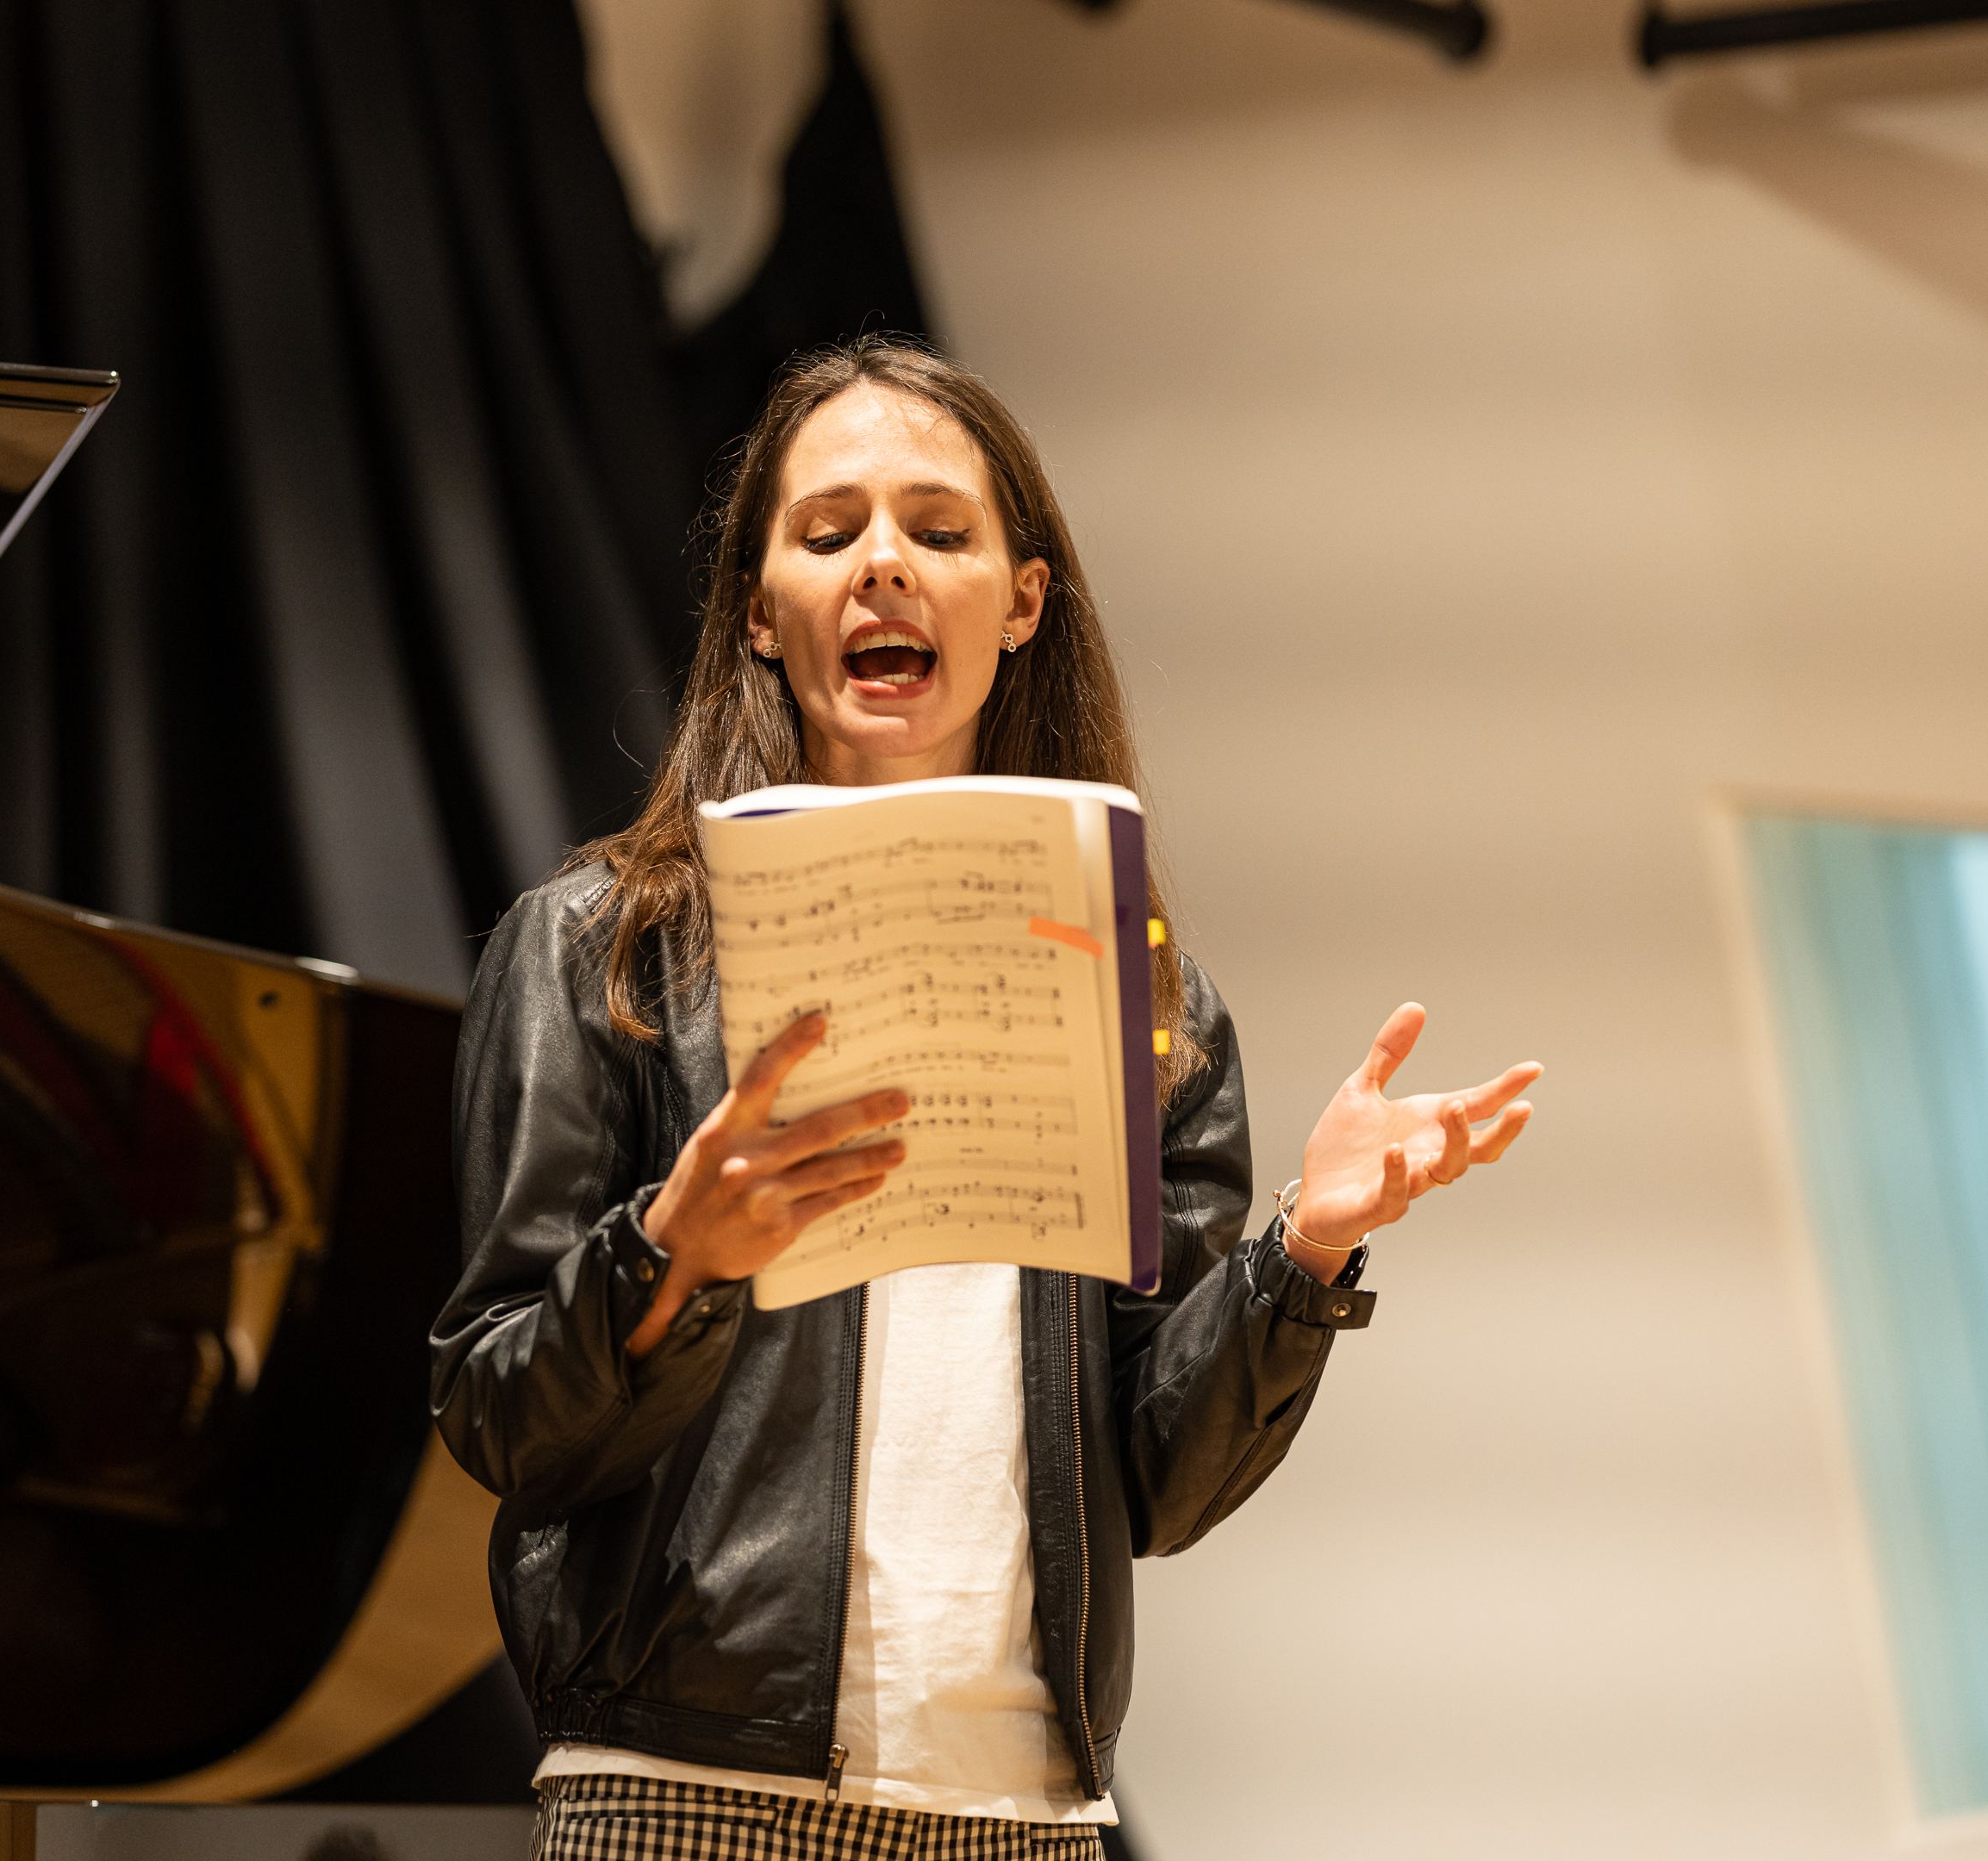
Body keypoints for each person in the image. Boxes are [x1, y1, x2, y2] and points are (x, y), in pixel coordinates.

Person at [432, 336, 1538, 1860]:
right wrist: (667, 1251)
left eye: (939, 532)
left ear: (1021, 602)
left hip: (1027, 1814)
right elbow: (503, 1421)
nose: (883, 564)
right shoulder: (597, 950)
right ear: (762, 612)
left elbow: (1152, 1483)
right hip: (689, 1796)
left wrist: (1305, 1254)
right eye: (829, 535)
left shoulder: (1152, 1005)